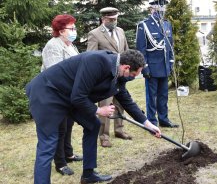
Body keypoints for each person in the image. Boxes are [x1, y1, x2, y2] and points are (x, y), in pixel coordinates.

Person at [25, 50, 161, 184]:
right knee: (48, 143)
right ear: (126, 67)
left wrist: (148, 125)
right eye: (132, 75)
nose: (131, 78)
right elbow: (78, 97)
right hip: (47, 93)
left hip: (70, 96)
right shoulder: (97, 61)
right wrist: (99, 110)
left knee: (93, 125)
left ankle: (88, 175)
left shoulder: (118, 74)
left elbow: (126, 100)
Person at [41, 14, 82, 176]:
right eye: (71, 28)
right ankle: (60, 163)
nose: (74, 31)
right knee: (60, 128)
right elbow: (54, 72)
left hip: (70, 91)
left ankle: (68, 153)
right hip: (56, 93)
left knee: (69, 124)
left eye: (74, 28)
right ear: (60, 30)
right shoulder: (53, 45)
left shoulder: (70, 44)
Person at [87, 7, 132, 148]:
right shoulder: (94, 34)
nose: (114, 22)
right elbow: (91, 56)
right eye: (111, 20)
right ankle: (104, 136)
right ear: (103, 19)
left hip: (120, 75)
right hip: (105, 78)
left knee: (120, 103)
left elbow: (125, 51)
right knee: (105, 106)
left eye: (116, 19)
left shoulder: (120, 31)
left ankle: (119, 130)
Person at [136, 0, 178, 128]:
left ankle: (164, 120)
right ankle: (152, 122)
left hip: (164, 66)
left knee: (163, 95)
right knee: (151, 97)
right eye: (159, 9)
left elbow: (170, 45)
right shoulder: (144, 25)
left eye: (163, 9)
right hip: (152, 67)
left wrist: (170, 63)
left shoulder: (166, 24)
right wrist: (145, 68)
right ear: (152, 9)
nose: (161, 12)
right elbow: (141, 49)